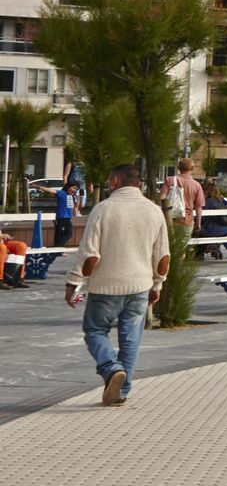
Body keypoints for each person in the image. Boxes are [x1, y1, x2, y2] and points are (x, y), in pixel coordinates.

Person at [64, 162, 169, 407]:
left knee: (95, 331)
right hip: (140, 286)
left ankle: (110, 368)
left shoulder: (104, 209)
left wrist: (73, 282)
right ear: (139, 183)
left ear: (114, 182)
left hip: (105, 287)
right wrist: (157, 286)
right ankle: (121, 390)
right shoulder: (154, 211)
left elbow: (89, 254)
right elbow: (163, 256)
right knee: (131, 340)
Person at [197, 180, 227, 259]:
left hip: (209, 231)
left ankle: (198, 255)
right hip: (225, 230)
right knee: (225, 239)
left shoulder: (207, 202)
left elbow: (202, 218)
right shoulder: (223, 201)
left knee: (198, 234)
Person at [166, 159, 205, 230]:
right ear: (192, 169)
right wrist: (198, 223)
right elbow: (198, 206)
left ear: (178, 168)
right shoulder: (196, 185)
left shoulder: (169, 180)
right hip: (187, 221)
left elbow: (162, 199)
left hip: (169, 220)